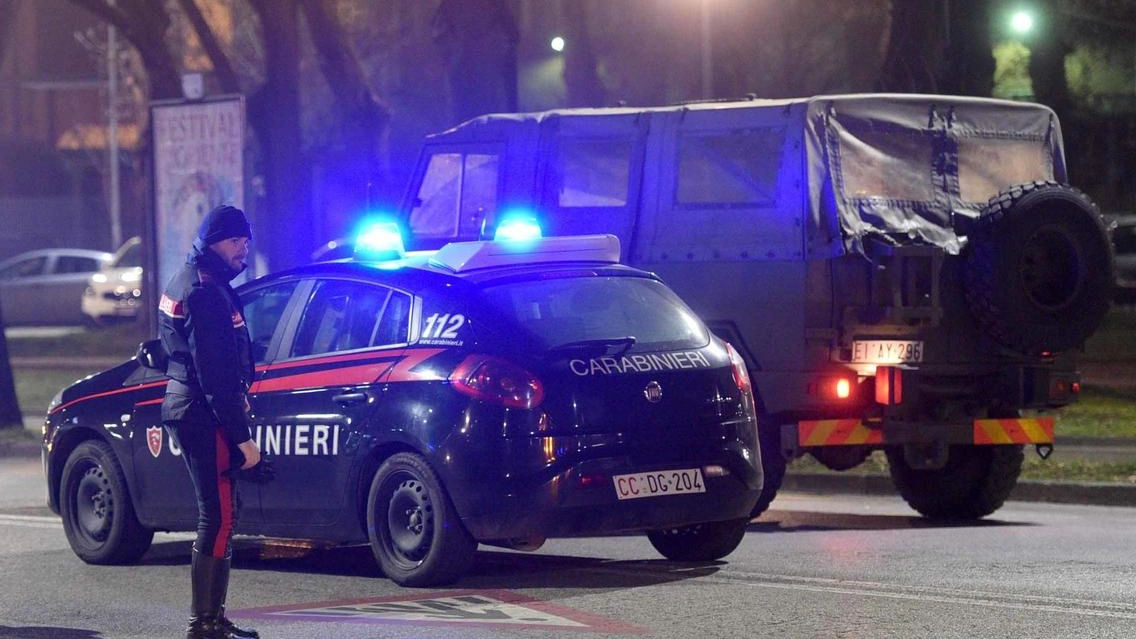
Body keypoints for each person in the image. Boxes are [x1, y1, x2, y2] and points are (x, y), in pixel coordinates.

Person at [160, 205, 262, 639]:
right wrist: (243, 441)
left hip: (192, 407)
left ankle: (213, 618)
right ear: (220, 240)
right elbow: (216, 373)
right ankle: (204, 624)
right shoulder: (205, 290)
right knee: (217, 516)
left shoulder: (195, 279)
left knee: (221, 513)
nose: (244, 250)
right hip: (203, 413)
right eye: (238, 242)